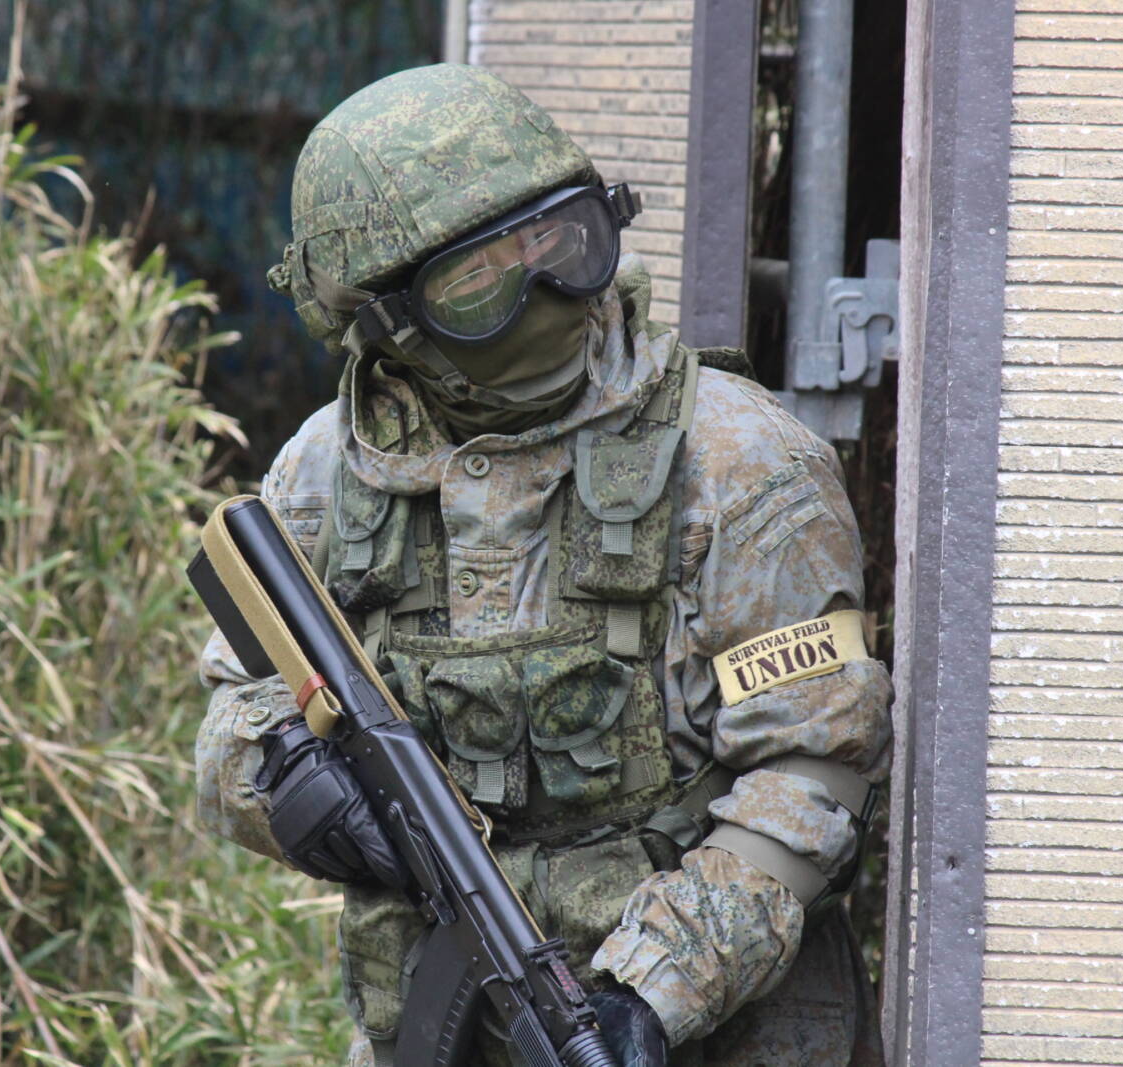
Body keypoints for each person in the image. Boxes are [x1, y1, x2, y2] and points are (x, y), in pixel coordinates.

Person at [195, 63, 893, 1067]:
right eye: (479, 282)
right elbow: (237, 708)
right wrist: (288, 783)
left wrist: (652, 993)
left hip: (713, 1030)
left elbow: (816, 767)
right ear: (389, 324)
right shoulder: (325, 476)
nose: (543, 290)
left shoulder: (740, 461)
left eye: (561, 243)